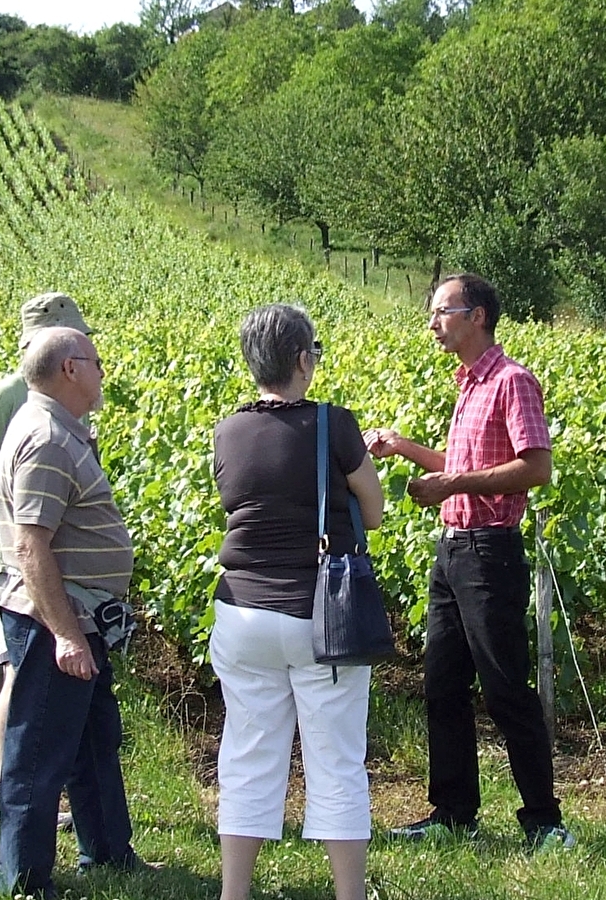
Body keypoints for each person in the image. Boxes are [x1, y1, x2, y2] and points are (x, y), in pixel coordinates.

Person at [363, 273, 571, 852]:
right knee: (443, 686)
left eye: (441, 311)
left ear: (477, 315)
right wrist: (405, 446)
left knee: (506, 687)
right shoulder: (469, 386)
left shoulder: (512, 382)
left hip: (489, 553)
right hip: (453, 550)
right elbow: (460, 462)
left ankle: (545, 822)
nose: (433, 322)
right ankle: (454, 813)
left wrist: (453, 480)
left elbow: (535, 467)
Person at [210, 305, 385, 900]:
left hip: (240, 613)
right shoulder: (335, 425)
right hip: (320, 615)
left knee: (248, 753)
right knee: (335, 759)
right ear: (302, 359)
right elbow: (374, 512)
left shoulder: (227, 430)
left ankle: (234, 892)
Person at [0, 326, 140, 898]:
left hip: (81, 618)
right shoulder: (49, 439)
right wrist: (65, 635)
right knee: (37, 756)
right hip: (56, 621)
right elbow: (32, 544)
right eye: (97, 362)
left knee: (92, 741)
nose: (104, 372)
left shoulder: (59, 431)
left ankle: (106, 852)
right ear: (71, 369)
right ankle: (24, 880)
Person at [0, 292, 93, 827]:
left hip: (55, 559)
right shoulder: (4, 398)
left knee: (40, 679)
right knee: (18, 676)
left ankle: (38, 794)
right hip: (15, 560)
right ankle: (11, 800)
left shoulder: (68, 397)